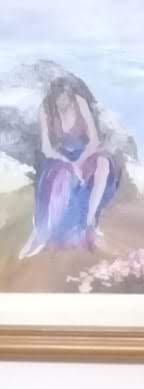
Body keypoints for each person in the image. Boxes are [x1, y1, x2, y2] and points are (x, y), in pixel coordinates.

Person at [19, 76, 119, 259]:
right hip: (59, 158)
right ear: (53, 96)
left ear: (70, 94)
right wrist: (70, 165)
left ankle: (90, 221)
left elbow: (94, 141)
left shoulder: (79, 102)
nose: (62, 102)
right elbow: (47, 149)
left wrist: (79, 163)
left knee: (103, 163)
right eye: (58, 99)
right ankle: (42, 235)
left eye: (66, 97)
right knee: (62, 175)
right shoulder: (45, 109)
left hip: (85, 154)